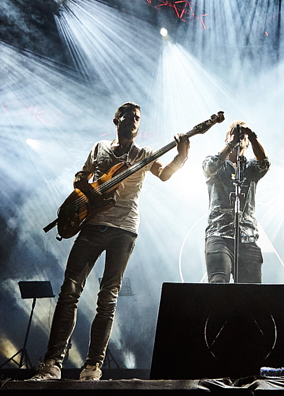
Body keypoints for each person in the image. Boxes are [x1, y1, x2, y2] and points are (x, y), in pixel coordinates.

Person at [29, 102, 190, 381]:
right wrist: (89, 192)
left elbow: (164, 175)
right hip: (91, 225)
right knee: (69, 291)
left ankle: (92, 367)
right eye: (128, 118)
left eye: (138, 119)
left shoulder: (144, 154)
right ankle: (52, 363)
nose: (134, 122)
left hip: (124, 229)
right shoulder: (100, 147)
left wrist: (182, 156)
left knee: (108, 297)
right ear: (117, 120)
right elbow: (80, 177)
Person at [202, 120, 269, 283]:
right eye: (233, 132)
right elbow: (210, 167)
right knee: (218, 284)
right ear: (226, 139)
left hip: (247, 237)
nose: (239, 136)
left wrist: (252, 136)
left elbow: (264, 163)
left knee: (251, 295)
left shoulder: (251, 167)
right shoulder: (214, 161)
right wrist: (232, 143)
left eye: (242, 135)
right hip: (219, 235)